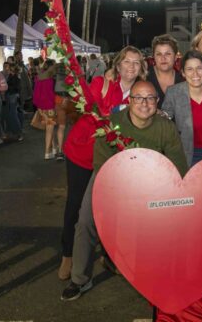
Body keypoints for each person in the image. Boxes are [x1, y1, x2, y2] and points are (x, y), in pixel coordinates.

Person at [62, 80, 187, 301]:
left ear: (157, 103)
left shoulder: (165, 128)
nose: (144, 103)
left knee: (163, 220)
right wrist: (122, 193)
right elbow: (102, 163)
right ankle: (80, 279)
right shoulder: (112, 123)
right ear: (129, 101)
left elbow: (177, 166)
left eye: (150, 98)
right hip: (110, 177)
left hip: (149, 181)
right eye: (138, 98)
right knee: (85, 221)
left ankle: (159, 273)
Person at [58, 46, 145, 281]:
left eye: (136, 63)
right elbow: (91, 110)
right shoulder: (101, 82)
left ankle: (108, 255)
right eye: (127, 61)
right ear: (117, 65)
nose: (131, 67)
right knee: (75, 205)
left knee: (110, 210)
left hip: (111, 160)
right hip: (81, 154)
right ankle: (67, 254)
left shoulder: (140, 93)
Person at [162, 51, 202, 166]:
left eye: (199, 68)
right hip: (190, 152)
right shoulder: (174, 92)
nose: (195, 73)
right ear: (183, 73)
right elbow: (166, 115)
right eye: (189, 69)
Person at [146, 34, 184, 107]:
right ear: (153, 57)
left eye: (168, 54)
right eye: (159, 54)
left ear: (176, 56)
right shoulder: (144, 77)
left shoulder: (183, 79)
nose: (163, 58)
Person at [33, 60, 61, 159]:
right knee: (49, 130)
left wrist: (38, 107)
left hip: (41, 107)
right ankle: (47, 152)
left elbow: (35, 94)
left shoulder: (38, 78)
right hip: (50, 107)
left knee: (50, 128)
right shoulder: (50, 79)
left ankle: (54, 148)